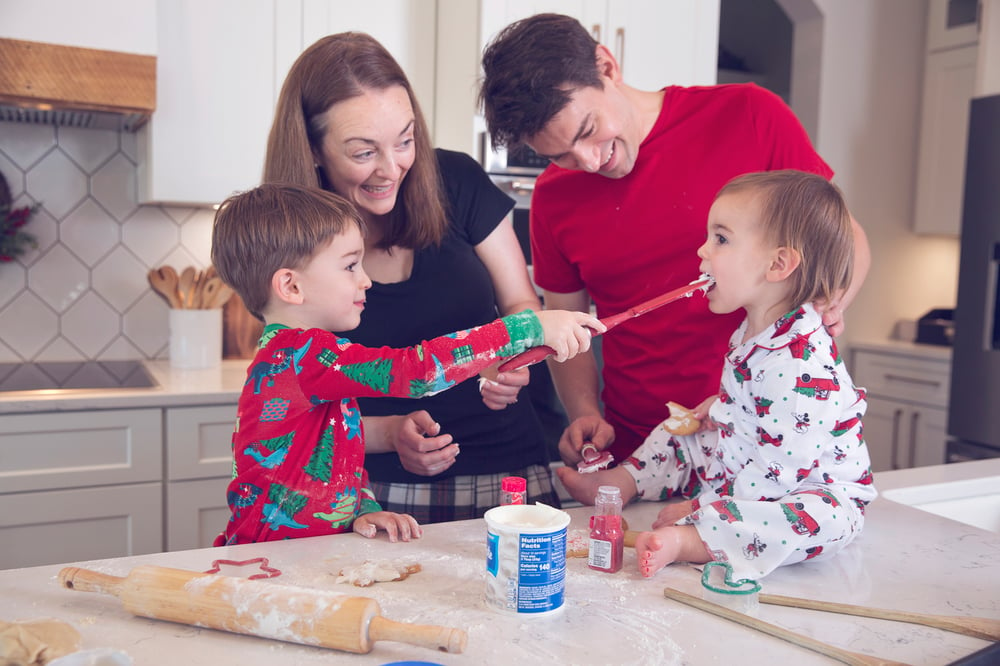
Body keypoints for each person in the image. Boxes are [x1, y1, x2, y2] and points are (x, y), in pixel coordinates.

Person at [479, 13, 872, 469]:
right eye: (560, 155)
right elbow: (566, 326)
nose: (587, 161)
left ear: (607, 67)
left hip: (769, 437)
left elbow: (846, 236)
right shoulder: (552, 198)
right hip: (641, 449)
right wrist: (585, 412)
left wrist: (833, 300)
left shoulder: (749, 115)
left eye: (587, 131)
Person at [262, 32, 565, 523]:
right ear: (313, 150)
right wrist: (386, 432)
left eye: (405, 141)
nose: (392, 168)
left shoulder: (457, 180)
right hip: (368, 495)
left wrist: (512, 357)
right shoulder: (288, 232)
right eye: (363, 152)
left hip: (506, 470)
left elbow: (520, 306)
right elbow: (293, 401)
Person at [210, 183, 603, 545]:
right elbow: (415, 372)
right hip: (268, 561)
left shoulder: (308, 359)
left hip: (304, 558)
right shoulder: (299, 355)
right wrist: (525, 327)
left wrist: (362, 510)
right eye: (350, 266)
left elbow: (331, 455)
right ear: (291, 287)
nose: (365, 281)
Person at [557, 170, 876, 580]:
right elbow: (754, 405)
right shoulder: (754, 330)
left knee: (820, 519)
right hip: (754, 461)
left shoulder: (799, 362)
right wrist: (721, 409)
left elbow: (779, 472)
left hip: (804, 487)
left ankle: (692, 542)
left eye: (721, 239)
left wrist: (701, 509)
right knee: (687, 431)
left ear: (778, 264)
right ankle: (624, 480)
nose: (702, 251)